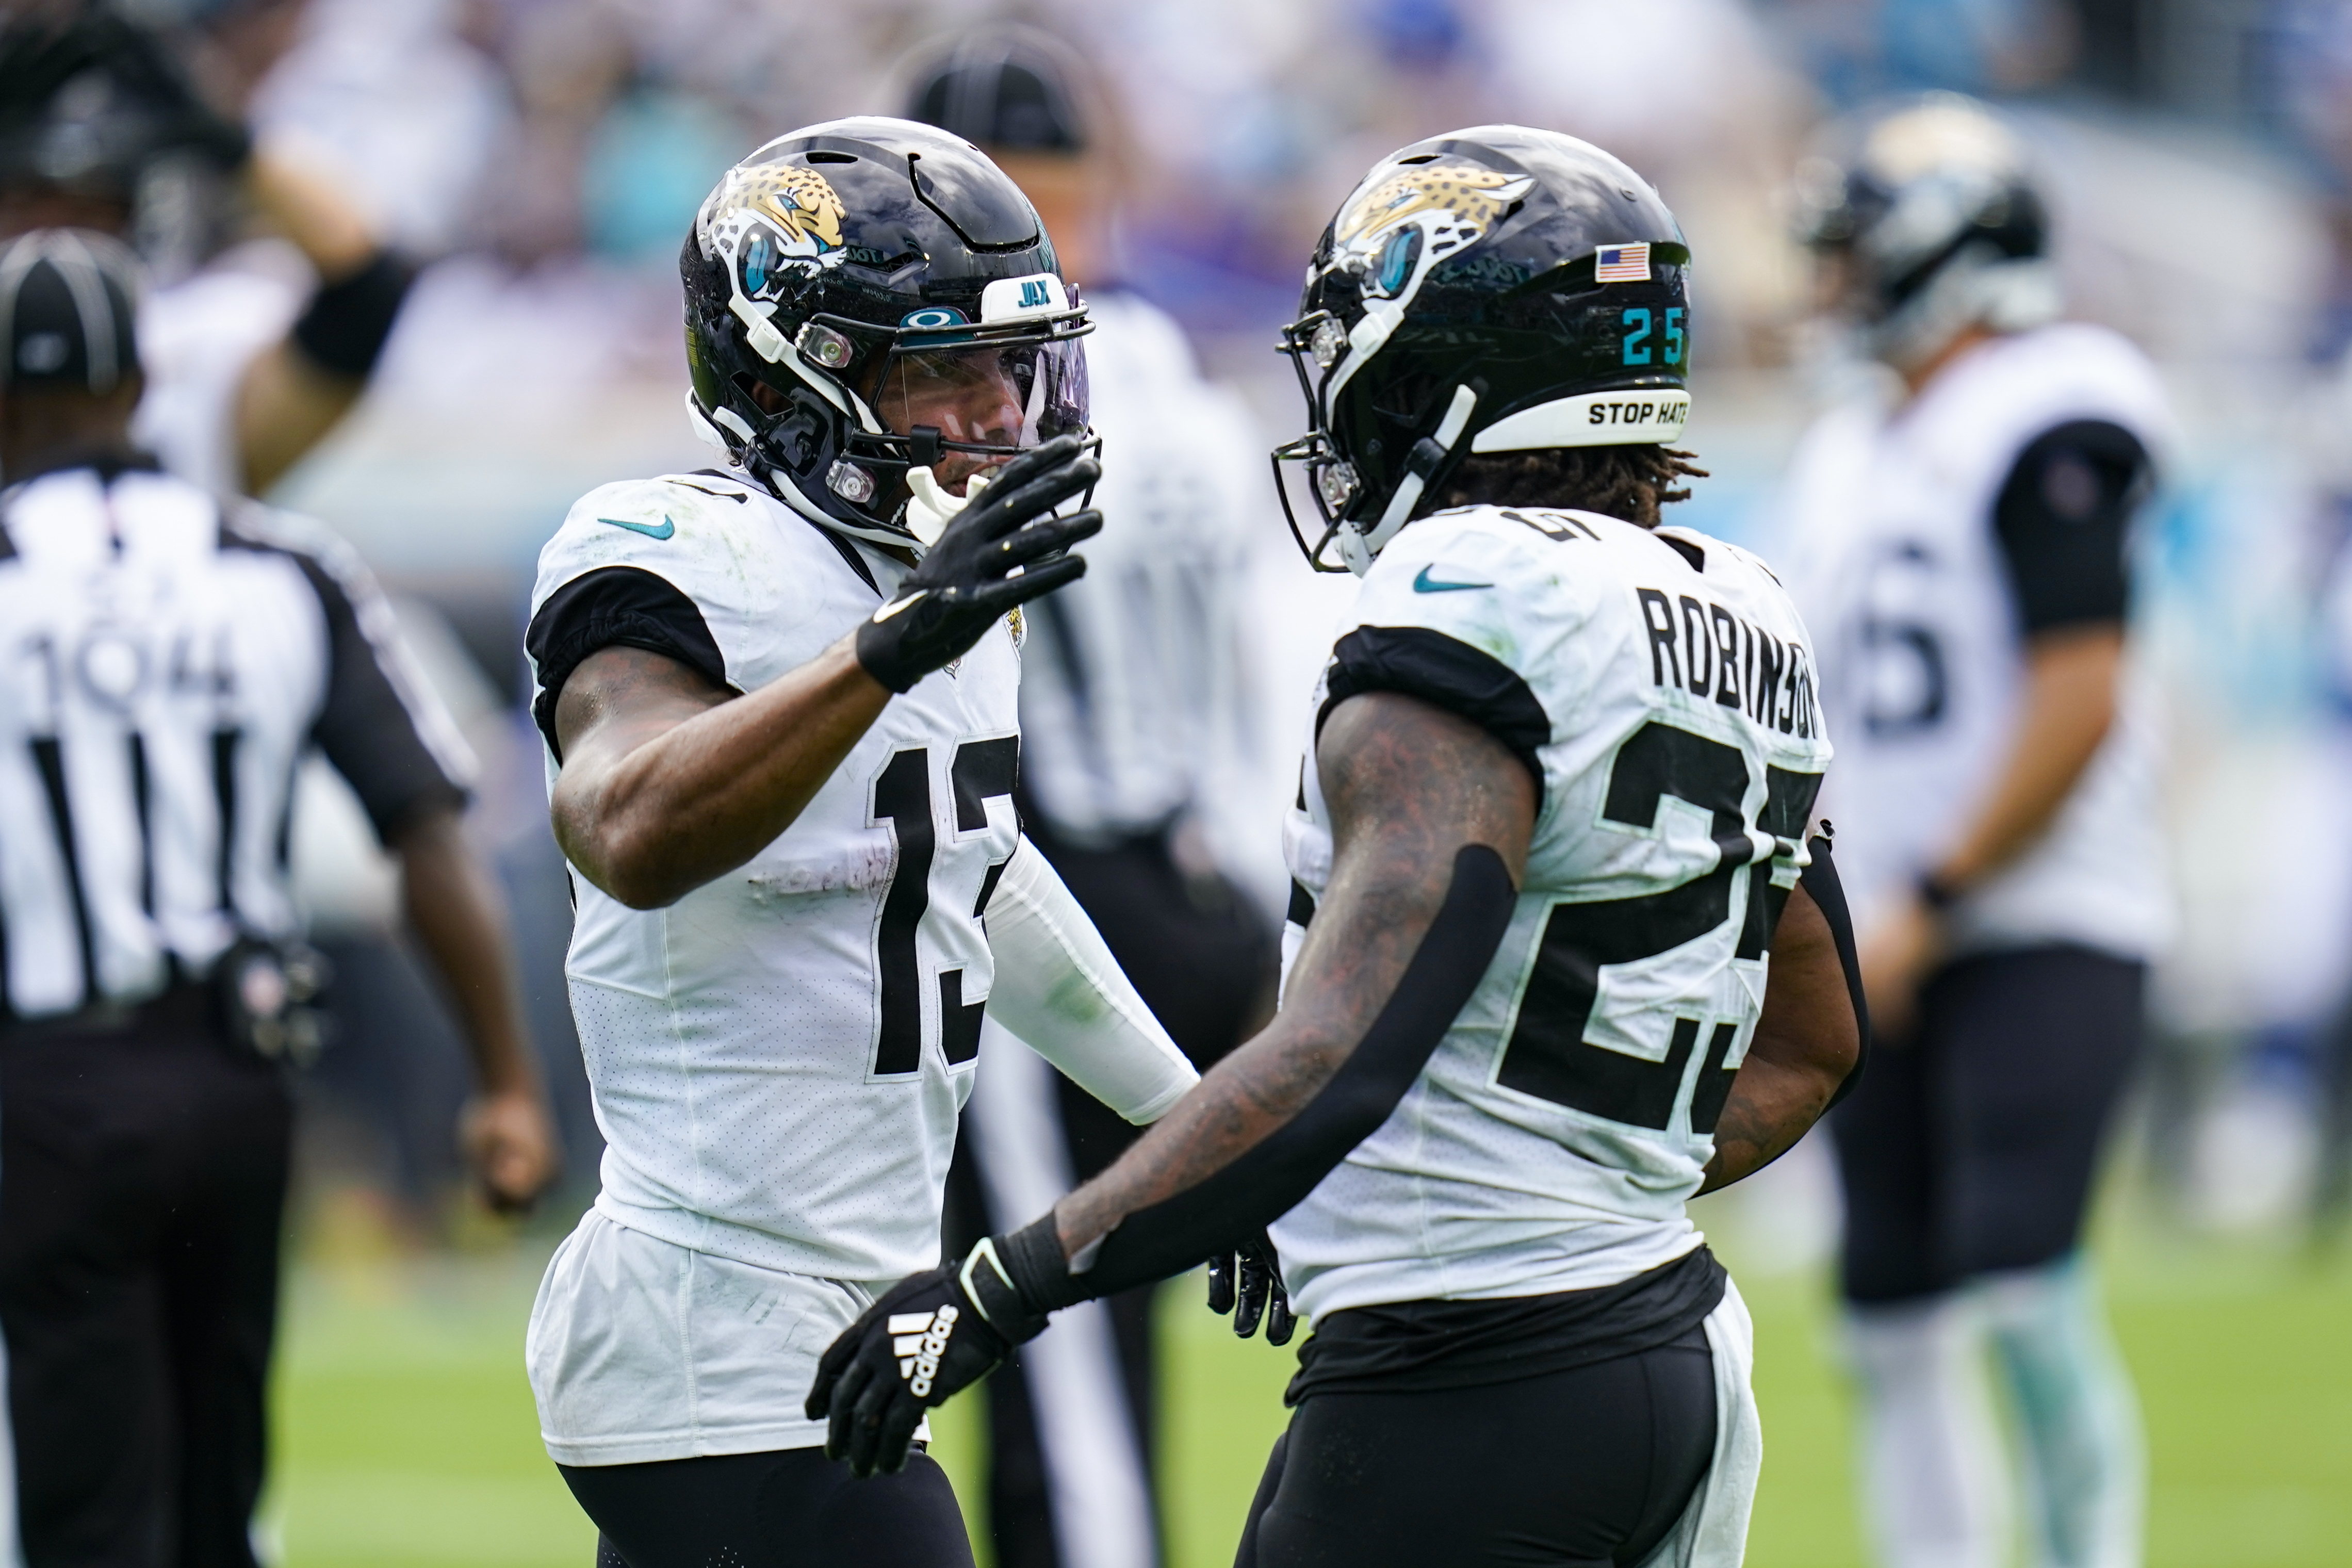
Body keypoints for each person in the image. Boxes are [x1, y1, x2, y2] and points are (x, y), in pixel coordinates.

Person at [808, 125, 1867, 1568]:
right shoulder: (1743, 601)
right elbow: (1816, 1041)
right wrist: (1587, 1177)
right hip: (1671, 1345)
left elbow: (1339, 1057)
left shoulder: (1470, 594)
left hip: (1466, 1377)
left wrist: (1005, 1283)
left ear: (1455, 370)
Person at [520, 118, 1205, 1568]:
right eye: (938, 371)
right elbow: (625, 828)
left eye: (1010, 367)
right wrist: (892, 649)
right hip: (713, 1328)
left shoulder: (936, 586)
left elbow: (975, 873)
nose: (997, 416)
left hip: (820, 1326)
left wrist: (1187, 1129)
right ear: (795, 375)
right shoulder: (672, 548)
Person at [0, 226, 557, 1568]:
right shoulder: (277, 567)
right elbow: (426, 831)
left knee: (73, 1501)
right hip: (234, 1083)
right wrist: (504, 1079)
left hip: (49, 1087)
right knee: (218, 1482)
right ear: (143, 386)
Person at [900, 28, 1277, 1568]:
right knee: (1118, 1313)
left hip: (1053, 891)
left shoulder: (1002, 394)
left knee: (1049, 1345)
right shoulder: (1190, 389)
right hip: (1203, 878)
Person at [1779, 94, 2168, 1568]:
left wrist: (1938, 889)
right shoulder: (1852, 445)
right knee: (1888, 1314)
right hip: (1887, 920)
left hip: (2041, 913)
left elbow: (2078, 693)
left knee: (2022, 1289)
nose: (1833, 281)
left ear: (1947, 253)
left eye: (1856, 250)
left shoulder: (2054, 400)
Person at [0, 8, 415, 497]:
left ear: (136, 216)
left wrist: (227, 140)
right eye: (31, 205)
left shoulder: (195, 356)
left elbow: (367, 291)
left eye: (89, 210)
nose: (58, 237)